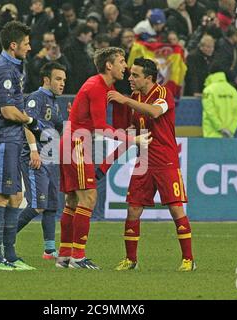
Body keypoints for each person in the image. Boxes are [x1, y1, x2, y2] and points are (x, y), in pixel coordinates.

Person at [56, 47, 151, 270]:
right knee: (88, 198)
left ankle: (64, 256)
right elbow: (100, 128)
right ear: (109, 65)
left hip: (70, 142)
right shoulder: (98, 87)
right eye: (121, 61)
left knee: (72, 201)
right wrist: (134, 140)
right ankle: (78, 257)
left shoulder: (97, 85)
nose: (125, 66)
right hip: (76, 145)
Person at [107, 58, 196, 272]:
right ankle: (131, 260)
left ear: (148, 78)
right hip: (143, 161)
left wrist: (125, 101)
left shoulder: (163, 94)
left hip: (165, 160)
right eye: (130, 74)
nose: (130, 78)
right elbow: (131, 128)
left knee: (175, 209)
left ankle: (188, 260)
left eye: (135, 75)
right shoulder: (136, 97)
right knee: (133, 209)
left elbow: (155, 112)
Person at [0, 21, 46, 271]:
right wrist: (31, 120)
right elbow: (8, 111)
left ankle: (11, 255)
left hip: (11, 139)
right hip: (0, 140)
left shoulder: (14, 66)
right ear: (13, 45)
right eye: (27, 44)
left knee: (16, 197)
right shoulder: (5, 69)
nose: (30, 48)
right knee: (0, 196)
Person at [17, 62, 67, 260]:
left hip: (50, 158)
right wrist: (33, 151)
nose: (62, 83)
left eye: (64, 80)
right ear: (46, 79)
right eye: (58, 79)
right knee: (38, 204)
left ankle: (49, 250)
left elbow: (57, 131)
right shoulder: (36, 98)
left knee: (51, 205)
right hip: (35, 156)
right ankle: (4, 239)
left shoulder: (54, 102)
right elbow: (26, 124)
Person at [201, 63, 237, 138]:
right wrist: (231, 130)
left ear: (210, 74)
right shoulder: (233, 91)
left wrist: (220, 128)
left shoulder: (208, 90)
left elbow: (210, 112)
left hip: (211, 135)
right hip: (228, 136)